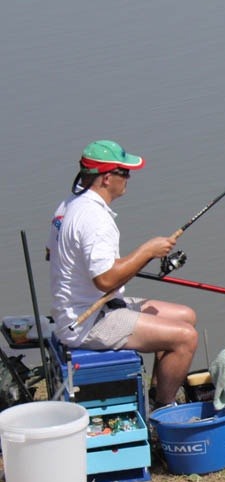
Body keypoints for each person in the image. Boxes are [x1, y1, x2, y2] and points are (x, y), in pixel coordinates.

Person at [49, 140, 198, 408]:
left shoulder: (70, 204)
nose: (128, 179)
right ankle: (163, 409)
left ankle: (156, 392)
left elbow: (52, 253)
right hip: (86, 322)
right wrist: (147, 251)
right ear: (107, 178)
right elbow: (105, 280)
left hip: (88, 306)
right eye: (124, 173)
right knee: (186, 337)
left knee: (186, 316)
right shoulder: (95, 218)